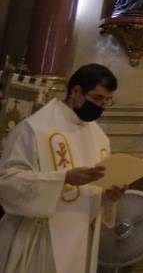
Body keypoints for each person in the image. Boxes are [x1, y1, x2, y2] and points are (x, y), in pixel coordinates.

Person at [0, 64, 127, 273]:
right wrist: (63, 179)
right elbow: (8, 182)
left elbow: (95, 190)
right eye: (97, 98)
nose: (101, 106)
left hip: (81, 237)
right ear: (76, 91)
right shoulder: (34, 128)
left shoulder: (99, 138)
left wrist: (108, 197)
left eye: (107, 101)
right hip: (41, 238)